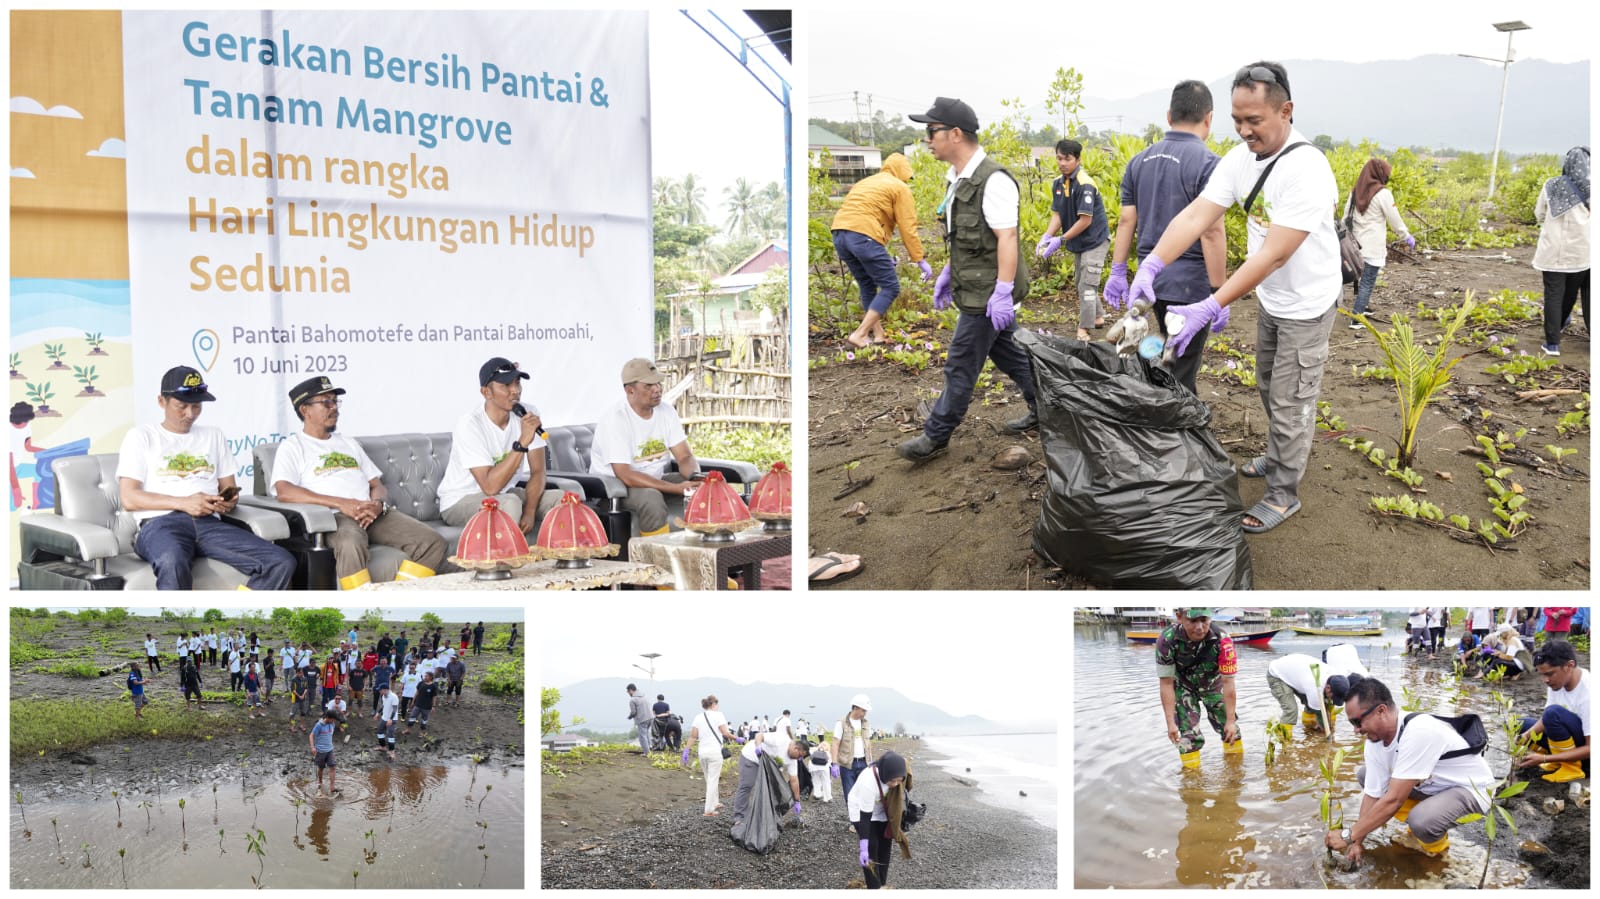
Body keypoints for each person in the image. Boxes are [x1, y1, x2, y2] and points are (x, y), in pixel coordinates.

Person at [1127, 62, 1341, 534]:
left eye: (1254, 121)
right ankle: (1279, 455)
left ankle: (1284, 495)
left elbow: (1276, 254)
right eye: (1237, 120)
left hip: (1306, 303)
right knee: (1267, 384)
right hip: (1273, 299)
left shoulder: (1307, 167)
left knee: (1291, 399)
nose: (1244, 131)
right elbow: (1196, 216)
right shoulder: (1239, 159)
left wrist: (1212, 302)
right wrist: (1151, 264)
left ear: (1285, 110)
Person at [898, 97, 1037, 462]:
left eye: (932, 131)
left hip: (988, 293)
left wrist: (1003, 292)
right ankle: (1049, 406)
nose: (928, 140)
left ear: (955, 134)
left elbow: (1007, 237)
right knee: (1011, 355)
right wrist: (948, 271)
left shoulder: (993, 181)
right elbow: (965, 237)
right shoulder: (957, 180)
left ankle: (936, 436)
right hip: (975, 285)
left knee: (960, 362)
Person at [115, 365, 295, 590]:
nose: (190, 414)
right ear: (162, 401)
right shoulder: (142, 437)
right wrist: (185, 503)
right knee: (171, 561)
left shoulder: (213, 435)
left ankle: (237, 620)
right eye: (182, 406)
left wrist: (225, 502)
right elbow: (129, 498)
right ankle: (178, 625)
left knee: (280, 561)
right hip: (161, 524)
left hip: (209, 524)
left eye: (196, 406)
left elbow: (229, 488)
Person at [1103, 80, 1227, 392]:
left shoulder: (1138, 161)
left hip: (1152, 279)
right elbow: (1211, 231)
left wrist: (1118, 271)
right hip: (1191, 283)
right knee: (1182, 363)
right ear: (1209, 119)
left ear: (1169, 116)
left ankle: (1170, 410)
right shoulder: (1209, 164)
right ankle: (1170, 426)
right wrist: (1218, 293)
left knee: (1172, 351)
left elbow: (1126, 221)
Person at [272, 375, 448, 589]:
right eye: (326, 402)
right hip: (334, 517)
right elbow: (284, 491)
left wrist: (378, 505)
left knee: (432, 541)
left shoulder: (348, 443)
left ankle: (399, 599)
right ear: (305, 410)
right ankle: (361, 611)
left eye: (335, 402)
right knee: (350, 542)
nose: (334, 408)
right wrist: (342, 504)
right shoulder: (293, 446)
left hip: (370, 512)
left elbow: (377, 485)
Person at [1327, 676, 1495, 861]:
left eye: (1357, 722)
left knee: (1421, 821)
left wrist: (1347, 835)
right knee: (1365, 775)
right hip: (1434, 787)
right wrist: (1357, 842)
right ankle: (1420, 829)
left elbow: (1393, 800)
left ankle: (1437, 853)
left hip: (1471, 789)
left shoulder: (1419, 730)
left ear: (1381, 711)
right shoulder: (1374, 743)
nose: (1356, 730)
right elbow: (1372, 795)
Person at [437, 356, 562, 536]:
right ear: (486, 392)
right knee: (510, 503)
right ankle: (504, 564)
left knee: (559, 499)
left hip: (504, 494)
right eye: (505, 385)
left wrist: (530, 510)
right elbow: (490, 487)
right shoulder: (470, 424)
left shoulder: (527, 414)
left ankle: (555, 562)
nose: (515, 391)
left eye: (517, 383)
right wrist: (522, 443)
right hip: (461, 500)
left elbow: (538, 472)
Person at [589, 358, 702, 537]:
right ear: (630, 390)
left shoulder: (666, 411)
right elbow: (625, 475)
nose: (657, 389)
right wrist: (676, 488)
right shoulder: (616, 419)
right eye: (648, 385)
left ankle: (704, 553)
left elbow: (684, 456)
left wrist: (696, 477)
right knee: (651, 498)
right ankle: (655, 560)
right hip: (613, 489)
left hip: (653, 481)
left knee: (706, 489)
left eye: (657, 382)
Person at [831, 152, 934, 348]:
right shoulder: (900, 187)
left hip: (839, 233)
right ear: (902, 172)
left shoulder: (866, 182)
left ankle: (878, 335)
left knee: (867, 284)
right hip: (863, 235)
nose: (907, 180)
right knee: (891, 287)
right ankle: (860, 334)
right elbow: (908, 226)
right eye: (907, 176)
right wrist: (919, 259)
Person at [1037, 139, 1112, 341]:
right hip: (1079, 241)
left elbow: (1085, 221)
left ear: (1077, 159)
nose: (1062, 163)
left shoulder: (1085, 184)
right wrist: (1047, 236)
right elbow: (1057, 215)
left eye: (1067, 159)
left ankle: (1084, 329)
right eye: (1059, 158)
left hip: (1095, 240)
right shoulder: (1058, 183)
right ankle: (1097, 317)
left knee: (1087, 285)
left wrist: (1060, 240)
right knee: (1082, 281)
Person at [1156, 608, 1240, 767]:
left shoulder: (1223, 640)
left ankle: (1235, 776)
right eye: (1193, 621)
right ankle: (1192, 786)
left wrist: (1230, 721)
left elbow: (1228, 682)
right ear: (1180, 617)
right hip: (1183, 687)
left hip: (1213, 684)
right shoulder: (1167, 640)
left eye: (1204, 620)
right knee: (1187, 738)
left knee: (1231, 731)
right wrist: (1170, 723)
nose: (1200, 627)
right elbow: (1166, 683)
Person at [1344, 157, 1416, 326]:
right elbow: (1394, 219)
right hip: (1372, 246)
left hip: (1354, 245)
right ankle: (1357, 318)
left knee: (1360, 278)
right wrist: (1406, 236)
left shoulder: (1355, 192)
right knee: (1368, 281)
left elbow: (1346, 217)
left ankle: (1363, 306)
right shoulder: (1383, 194)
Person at [1533, 146, 1590, 356]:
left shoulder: (1551, 185)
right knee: (1570, 293)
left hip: (1551, 251)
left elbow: (1539, 214)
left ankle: (1552, 344)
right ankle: (1561, 322)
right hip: (1582, 252)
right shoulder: (1593, 188)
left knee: (1553, 294)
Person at [1516, 641, 1590, 783]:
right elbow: (1545, 720)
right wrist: (1524, 736)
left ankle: (1571, 768)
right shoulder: (1557, 683)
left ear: (1570, 665)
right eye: (1542, 675)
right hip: (1570, 741)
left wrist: (1544, 758)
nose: (1545, 680)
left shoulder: (1589, 693)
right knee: (1519, 725)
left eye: (1549, 674)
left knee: (1553, 713)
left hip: (1587, 756)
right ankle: (1557, 761)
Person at [847, 750, 911, 890]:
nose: (895, 784)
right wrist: (863, 846)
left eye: (898, 780)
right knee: (872, 847)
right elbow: (865, 817)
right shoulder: (868, 781)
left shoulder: (898, 774)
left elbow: (904, 784)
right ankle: (874, 887)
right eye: (892, 780)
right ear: (884, 773)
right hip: (860, 810)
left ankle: (882, 883)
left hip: (881, 809)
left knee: (885, 846)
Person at [732, 728, 806, 827]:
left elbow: (794, 780)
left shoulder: (793, 760)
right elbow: (759, 735)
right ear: (795, 748)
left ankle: (767, 816)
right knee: (747, 786)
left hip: (767, 767)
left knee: (772, 790)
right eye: (800, 755)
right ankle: (739, 817)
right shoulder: (780, 739)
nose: (799, 758)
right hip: (752, 758)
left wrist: (797, 801)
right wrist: (758, 747)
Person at [1267, 653, 1356, 732]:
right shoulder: (1314, 688)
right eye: (1333, 697)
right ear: (1328, 688)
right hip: (1277, 675)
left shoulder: (1337, 676)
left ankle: (1308, 729)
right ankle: (1285, 742)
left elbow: (1325, 706)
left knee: (1312, 706)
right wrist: (1327, 733)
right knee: (1291, 710)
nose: (1332, 699)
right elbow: (1320, 715)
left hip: (1297, 674)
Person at [683, 694, 740, 817]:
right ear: (713, 704)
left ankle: (715, 802)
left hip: (702, 753)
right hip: (714, 752)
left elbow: (693, 736)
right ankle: (709, 810)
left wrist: (686, 750)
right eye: (717, 704)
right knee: (713, 780)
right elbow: (725, 733)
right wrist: (737, 738)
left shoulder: (698, 717)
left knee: (709, 778)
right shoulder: (719, 715)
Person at [831, 694, 875, 800]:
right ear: (855, 708)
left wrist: (870, 760)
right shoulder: (841, 723)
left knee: (864, 792)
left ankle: (862, 815)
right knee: (850, 794)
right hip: (847, 765)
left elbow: (868, 743)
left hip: (864, 763)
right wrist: (834, 763)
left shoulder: (866, 723)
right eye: (863, 710)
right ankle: (853, 816)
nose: (865, 713)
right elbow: (835, 743)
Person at [310, 710, 341, 795]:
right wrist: (313, 747)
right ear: (327, 717)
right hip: (320, 751)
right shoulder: (319, 725)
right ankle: (320, 782)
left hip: (330, 750)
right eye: (333, 719)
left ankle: (332, 787)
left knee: (333, 767)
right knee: (321, 768)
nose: (334, 721)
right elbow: (311, 735)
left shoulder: (332, 724)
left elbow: (329, 735)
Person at [373, 683, 399, 761]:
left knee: (390, 735)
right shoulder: (384, 696)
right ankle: (383, 747)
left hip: (392, 719)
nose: (379, 692)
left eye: (380, 690)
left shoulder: (394, 697)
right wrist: (378, 713)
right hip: (384, 717)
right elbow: (383, 706)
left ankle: (392, 751)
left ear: (385, 690)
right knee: (379, 731)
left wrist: (390, 719)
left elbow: (394, 709)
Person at [408, 671, 438, 737]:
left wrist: (433, 706)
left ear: (431, 677)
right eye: (425, 676)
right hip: (418, 704)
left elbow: (434, 697)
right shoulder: (421, 683)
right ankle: (408, 729)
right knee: (412, 717)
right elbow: (416, 693)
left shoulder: (433, 686)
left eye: (426, 676)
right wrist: (413, 702)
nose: (425, 677)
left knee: (424, 720)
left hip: (427, 706)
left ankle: (421, 732)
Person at [627, 683, 653, 753]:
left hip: (642, 719)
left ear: (631, 690)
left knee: (642, 737)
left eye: (628, 692)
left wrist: (630, 716)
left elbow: (633, 712)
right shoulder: (644, 696)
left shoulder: (632, 700)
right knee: (647, 734)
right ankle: (650, 748)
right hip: (650, 718)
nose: (628, 693)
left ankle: (647, 752)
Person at [807, 737, 834, 803]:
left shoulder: (814, 750)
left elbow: (810, 755)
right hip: (824, 768)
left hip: (813, 767)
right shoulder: (827, 752)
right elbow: (830, 762)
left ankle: (817, 794)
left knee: (815, 780)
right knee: (826, 781)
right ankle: (828, 797)